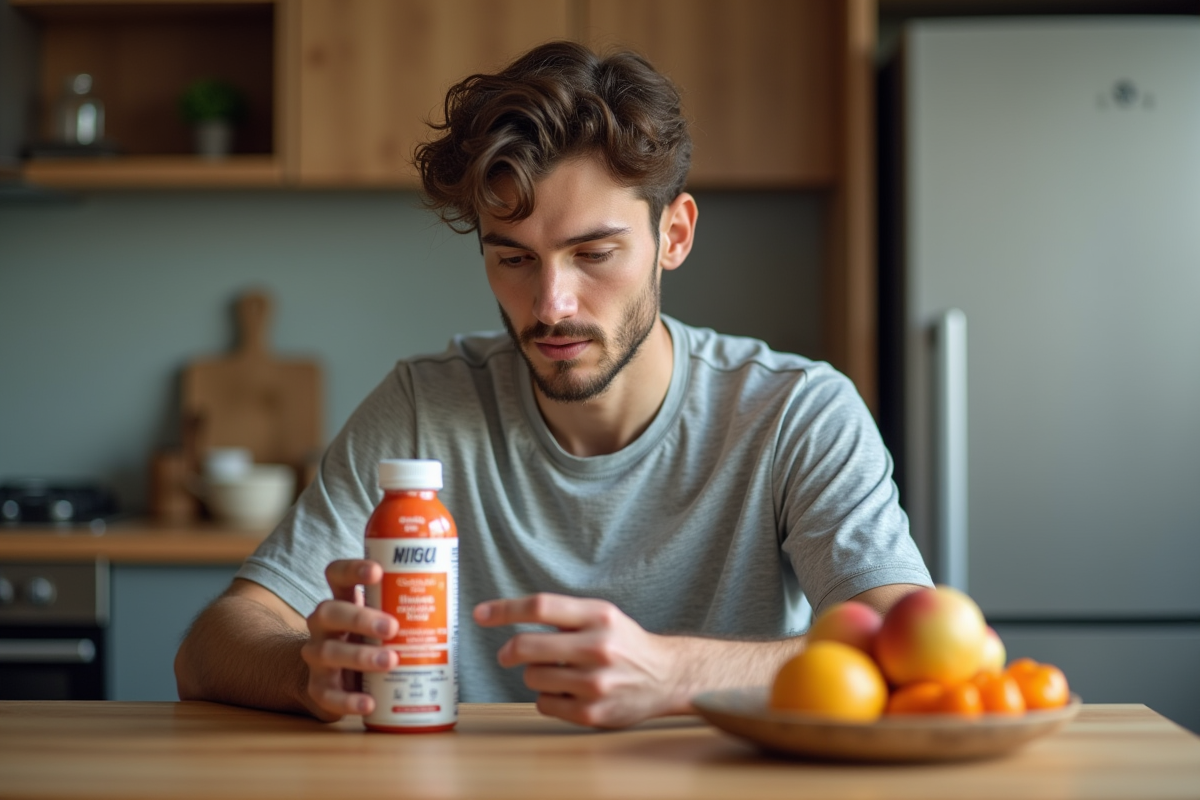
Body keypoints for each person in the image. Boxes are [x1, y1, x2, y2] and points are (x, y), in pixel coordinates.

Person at [175, 41, 932, 730]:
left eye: (593, 253)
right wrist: (304, 671)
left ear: (675, 236)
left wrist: (674, 674)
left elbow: (911, 652)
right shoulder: (423, 407)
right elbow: (212, 646)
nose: (550, 306)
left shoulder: (796, 413)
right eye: (513, 259)